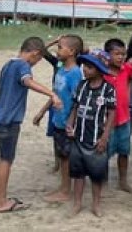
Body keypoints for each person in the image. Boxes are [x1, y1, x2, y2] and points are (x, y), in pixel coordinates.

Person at [0, 37, 62, 213]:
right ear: (34, 54)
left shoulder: (8, 64)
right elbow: (27, 81)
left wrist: (2, 107)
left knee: (2, 160)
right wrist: (51, 94)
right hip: (9, 122)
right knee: (6, 160)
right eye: (37, 60)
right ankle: (1, 202)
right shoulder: (23, 66)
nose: (36, 64)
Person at [34, 35, 84, 203]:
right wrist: (42, 112)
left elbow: (78, 101)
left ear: (72, 52)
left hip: (66, 123)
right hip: (57, 119)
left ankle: (66, 190)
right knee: (62, 156)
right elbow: (55, 93)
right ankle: (64, 186)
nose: (57, 50)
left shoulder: (76, 74)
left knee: (67, 157)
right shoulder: (61, 69)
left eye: (61, 47)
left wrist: (71, 121)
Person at [65, 53, 116, 217]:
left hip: (96, 139)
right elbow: (75, 106)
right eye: (84, 66)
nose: (85, 70)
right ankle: (77, 203)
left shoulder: (108, 89)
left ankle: (96, 205)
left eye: (89, 67)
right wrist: (70, 123)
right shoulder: (81, 85)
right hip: (78, 137)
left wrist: (104, 137)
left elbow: (111, 114)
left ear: (99, 70)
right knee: (78, 173)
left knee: (96, 173)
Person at [102, 39, 132, 193]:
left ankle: (123, 180)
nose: (121, 57)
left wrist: (128, 94)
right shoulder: (101, 71)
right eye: (116, 54)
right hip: (106, 121)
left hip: (124, 118)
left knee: (124, 151)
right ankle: (102, 180)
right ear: (107, 55)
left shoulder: (127, 69)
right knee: (104, 152)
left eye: (123, 54)